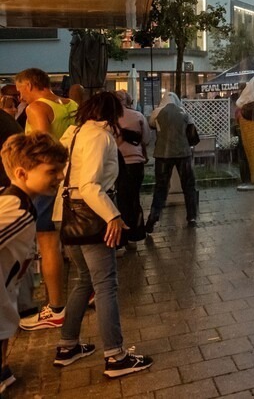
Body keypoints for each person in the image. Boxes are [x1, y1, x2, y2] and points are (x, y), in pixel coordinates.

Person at [55, 92, 154, 377]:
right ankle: (115, 356)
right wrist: (113, 215)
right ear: (110, 113)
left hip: (67, 214)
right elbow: (90, 185)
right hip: (91, 214)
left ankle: (67, 346)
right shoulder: (99, 137)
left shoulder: (73, 133)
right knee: (105, 285)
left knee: (83, 280)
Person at [0, 133, 67, 392]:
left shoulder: (18, 202)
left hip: (6, 285)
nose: (60, 176)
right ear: (22, 173)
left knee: (5, 325)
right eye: (52, 171)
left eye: (61, 169)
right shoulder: (16, 210)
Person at [15, 67, 77, 332]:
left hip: (46, 182)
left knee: (48, 244)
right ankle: (83, 292)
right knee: (68, 242)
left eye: (20, 90)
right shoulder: (71, 104)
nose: (20, 97)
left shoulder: (37, 107)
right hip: (69, 179)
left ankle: (56, 307)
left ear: (30, 85)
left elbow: (42, 148)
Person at [146, 92, 198, 232]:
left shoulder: (157, 112)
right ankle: (192, 217)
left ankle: (154, 215)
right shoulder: (184, 112)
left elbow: (151, 125)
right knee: (188, 186)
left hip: (162, 153)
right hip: (183, 153)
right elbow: (192, 132)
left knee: (161, 187)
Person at [114, 91, 149, 245]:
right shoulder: (138, 116)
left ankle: (122, 237)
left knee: (120, 199)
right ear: (129, 101)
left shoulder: (109, 118)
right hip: (136, 163)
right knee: (134, 198)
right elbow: (146, 139)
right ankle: (136, 234)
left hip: (117, 163)